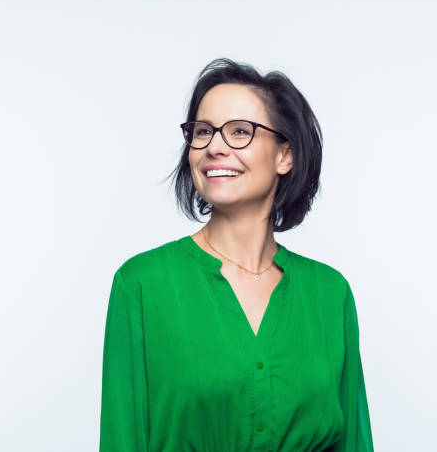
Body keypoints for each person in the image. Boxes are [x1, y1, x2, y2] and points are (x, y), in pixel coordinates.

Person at [99, 58, 374, 451]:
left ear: (285, 155)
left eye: (240, 132)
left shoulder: (331, 294)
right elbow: (121, 441)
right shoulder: (142, 285)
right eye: (203, 132)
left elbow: (354, 443)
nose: (214, 147)